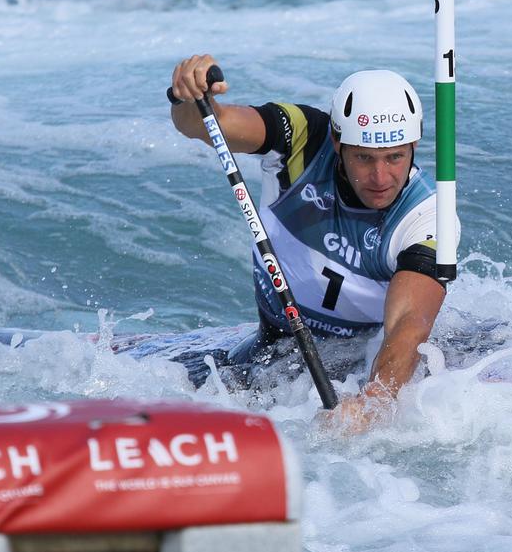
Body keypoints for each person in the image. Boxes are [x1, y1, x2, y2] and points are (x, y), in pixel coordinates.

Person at [168, 54, 450, 433]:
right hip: (266, 353)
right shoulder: (302, 140)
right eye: (364, 158)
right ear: (337, 142)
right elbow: (204, 124)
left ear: (413, 145)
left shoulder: (427, 215)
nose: (381, 177)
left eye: (395, 158)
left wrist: (374, 402)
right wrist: (188, 96)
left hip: (356, 368)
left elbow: (409, 323)